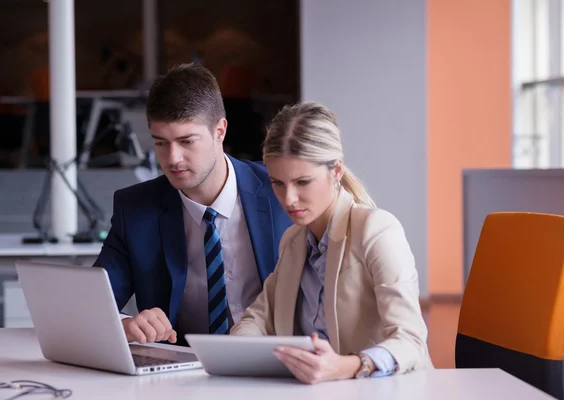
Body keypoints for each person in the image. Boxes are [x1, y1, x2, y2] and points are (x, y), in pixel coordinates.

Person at [231, 101, 433, 383]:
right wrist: (237, 350)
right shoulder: (293, 242)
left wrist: (347, 366)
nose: (288, 199)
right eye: (278, 183)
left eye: (302, 182)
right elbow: (259, 317)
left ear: (336, 171)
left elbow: (411, 339)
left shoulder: (377, 230)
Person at [94, 63, 292, 346]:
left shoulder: (280, 190)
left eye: (187, 141)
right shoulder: (135, 209)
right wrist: (125, 323)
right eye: (161, 143)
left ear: (219, 131)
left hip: (274, 365)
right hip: (183, 372)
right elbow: (97, 303)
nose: (173, 158)